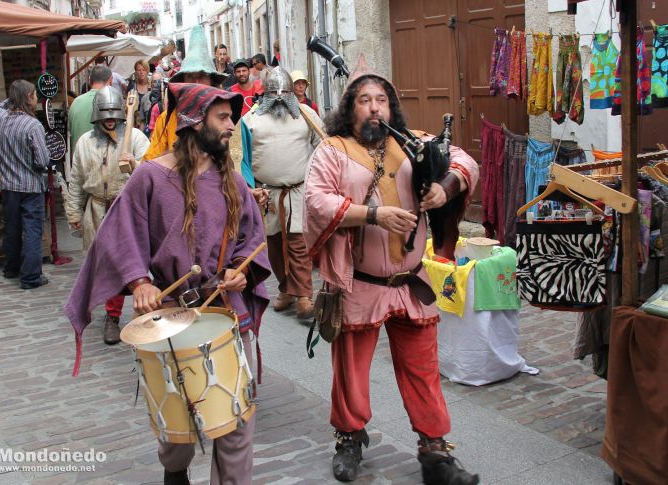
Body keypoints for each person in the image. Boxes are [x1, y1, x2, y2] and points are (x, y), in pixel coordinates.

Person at [65, 82, 270, 485]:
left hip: (226, 313)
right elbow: (120, 234)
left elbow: (252, 239)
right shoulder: (151, 176)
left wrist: (241, 272)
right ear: (195, 122)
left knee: (235, 422)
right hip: (169, 319)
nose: (232, 126)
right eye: (223, 118)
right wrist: (139, 281)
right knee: (177, 424)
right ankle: (174, 473)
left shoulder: (232, 181)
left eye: (232, 117)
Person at [303, 55, 480, 484]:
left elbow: (465, 162)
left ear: (392, 106)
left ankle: (434, 452)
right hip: (358, 283)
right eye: (364, 100)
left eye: (381, 99)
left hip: (410, 281)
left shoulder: (416, 142)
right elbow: (316, 201)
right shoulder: (332, 150)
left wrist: (444, 186)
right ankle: (349, 437)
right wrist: (372, 216)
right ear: (350, 108)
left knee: (422, 369)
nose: (374, 107)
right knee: (350, 368)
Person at [65, 86, 150, 344]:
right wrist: (73, 212)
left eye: (114, 113)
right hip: (97, 209)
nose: (110, 119)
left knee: (133, 265)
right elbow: (77, 179)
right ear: (97, 115)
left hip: (127, 209)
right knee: (104, 266)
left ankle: (136, 314)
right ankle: (110, 315)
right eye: (105, 114)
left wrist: (135, 165)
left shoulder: (136, 138)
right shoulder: (85, 142)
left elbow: (152, 173)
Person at [244, 67, 323, 319]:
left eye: (284, 92)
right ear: (265, 94)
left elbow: (322, 145)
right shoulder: (251, 119)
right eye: (273, 93)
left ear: (291, 93)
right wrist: (249, 188)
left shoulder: (306, 114)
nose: (279, 97)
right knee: (275, 247)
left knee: (299, 245)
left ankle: (304, 296)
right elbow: (241, 157)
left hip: (298, 190)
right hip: (267, 194)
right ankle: (286, 290)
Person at [0, 80, 51, 289]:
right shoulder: (33, 125)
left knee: (12, 228)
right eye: (34, 95)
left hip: (9, 185)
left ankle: (11, 268)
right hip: (30, 187)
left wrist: (13, 96)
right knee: (33, 230)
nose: (36, 99)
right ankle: (31, 276)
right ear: (28, 97)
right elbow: (43, 161)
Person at [144, 25, 230, 161]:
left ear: (212, 81)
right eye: (190, 76)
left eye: (201, 76)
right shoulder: (166, 120)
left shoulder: (226, 119)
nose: (195, 82)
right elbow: (151, 162)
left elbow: (235, 164)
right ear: (182, 81)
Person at [68, 64, 113, 156]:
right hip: (103, 163)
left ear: (90, 80)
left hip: (79, 161)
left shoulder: (76, 102)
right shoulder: (111, 101)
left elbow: (70, 132)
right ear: (110, 80)